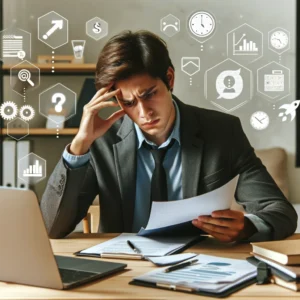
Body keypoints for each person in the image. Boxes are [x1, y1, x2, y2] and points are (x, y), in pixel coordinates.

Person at [40, 30, 297, 242]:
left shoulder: (222, 131)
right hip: (121, 268)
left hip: (198, 265)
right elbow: (52, 228)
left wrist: (248, 227)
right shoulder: (101, 141)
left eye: (149, 94)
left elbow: (281, 213)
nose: (143, 113)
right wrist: (79, 146)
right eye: (128, 103)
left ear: (170, 79)